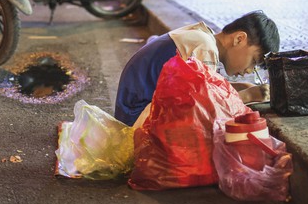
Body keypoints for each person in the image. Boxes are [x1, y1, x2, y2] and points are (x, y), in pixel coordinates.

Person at [114, 11, 280, 127]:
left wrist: (238, 88)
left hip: (132, 112)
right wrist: (248, 95)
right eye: (253, 61)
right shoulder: (204, 47)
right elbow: (202, 108)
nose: (250, 71)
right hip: (136, 122)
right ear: (239, 39)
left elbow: (200, 89)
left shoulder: (202, 36)